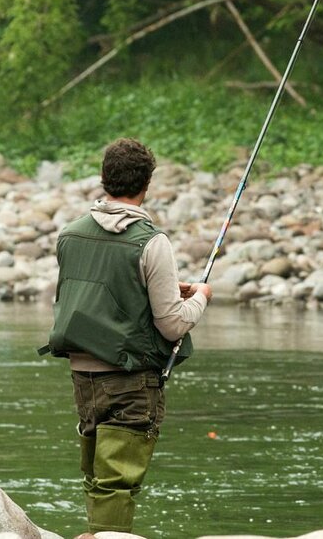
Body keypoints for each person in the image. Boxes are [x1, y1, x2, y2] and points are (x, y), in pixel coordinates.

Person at [41, 137, 213, 534]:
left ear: (104, 178)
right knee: (116, 484)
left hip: (83, 377)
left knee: (96, 477)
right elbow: (172, 325)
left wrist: (160, 290)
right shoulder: (152, 242)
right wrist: (201, 297)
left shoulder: (70, 234)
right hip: (130, 380)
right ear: (147, 184)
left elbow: (95, 293)